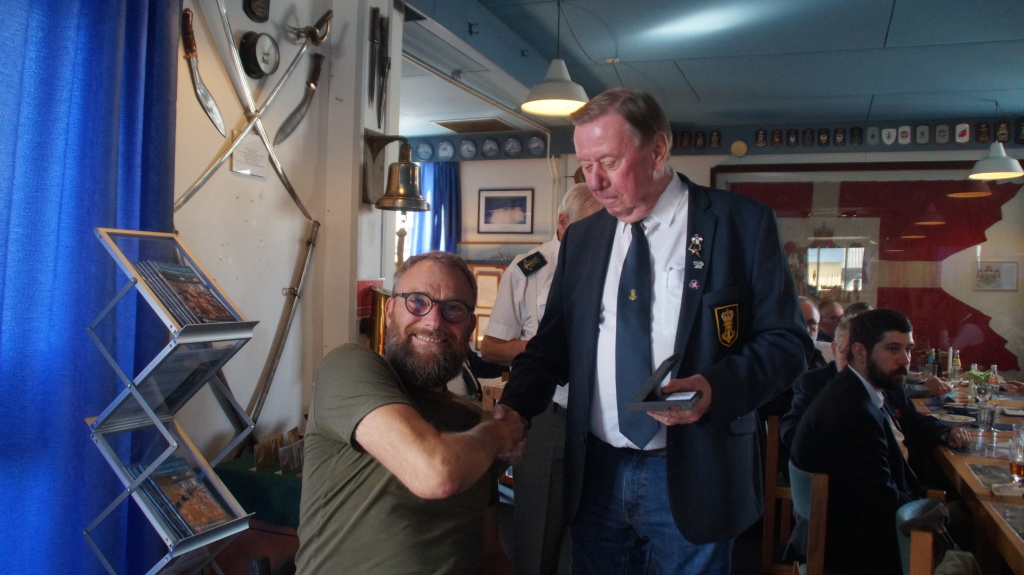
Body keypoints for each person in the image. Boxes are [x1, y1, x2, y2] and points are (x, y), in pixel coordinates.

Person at [495, 88, 809, 574]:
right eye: (586, 166)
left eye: (609, 162)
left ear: (658, 150)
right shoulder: (584, 239)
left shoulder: (740, 224)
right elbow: (552, 345)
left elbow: (787, 345)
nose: (595, 182)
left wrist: (715, 388)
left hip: (694, 467)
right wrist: (514, 408)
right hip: (596, 470)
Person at [295, 252, 525, 575]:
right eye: (417, 302)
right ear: (390, 311)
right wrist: (500, 433)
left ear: (470, 327)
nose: (434, 322)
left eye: (453, 309)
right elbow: (435, 473)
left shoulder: (475, 429)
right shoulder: (347, 367)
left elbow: (490, 556)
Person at [788, 309, 970, 575]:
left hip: (860, 531)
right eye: (893, 349)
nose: (905, 359)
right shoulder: (851, 410)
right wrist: (940, 510)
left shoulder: (858, 391)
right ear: (860, 351)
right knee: (973, 528)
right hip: (858, 551)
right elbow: (881, 504)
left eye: (908, 349)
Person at [481, 182, 601, 575]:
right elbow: (491, 347)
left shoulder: (616, 263)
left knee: (605, 533)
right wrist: (543, 348)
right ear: (563, 223)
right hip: (549, 412)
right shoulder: (529, 268)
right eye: (592, 226)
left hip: (604, 418)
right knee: (537, 535)